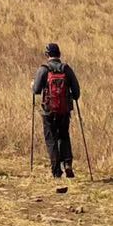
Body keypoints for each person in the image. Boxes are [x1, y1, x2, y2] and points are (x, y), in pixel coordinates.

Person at [31, 42, 81, 178]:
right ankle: (68, 164)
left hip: (49, 111)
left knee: (51, 139)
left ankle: (56, 170)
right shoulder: (66, 69)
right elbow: (77, 93)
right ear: (59, 54)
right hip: (64, 111)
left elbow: (36, 90)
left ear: (47, 54)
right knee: (64, 136)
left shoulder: (44, 69)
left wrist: (33, 85)